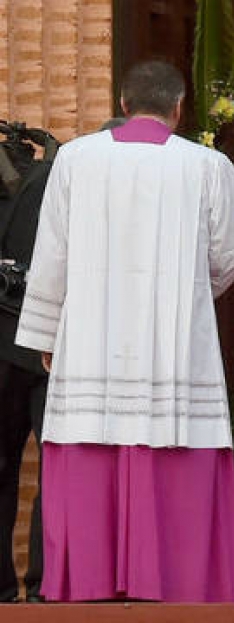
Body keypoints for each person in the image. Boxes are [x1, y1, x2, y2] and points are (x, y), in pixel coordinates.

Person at [14, 60, 234, 602]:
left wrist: (49, 334)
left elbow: (49, 252)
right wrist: (195, 292)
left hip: (91, 345)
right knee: (173, 444)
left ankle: (91, 586)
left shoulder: (74, 160)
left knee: (91, 443)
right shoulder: (207, 166)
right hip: (173, 351)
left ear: (122, 105)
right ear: (178, 109)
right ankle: (179, 583)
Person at [0, 122, 59, 603]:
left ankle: (45, 585)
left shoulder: (64, 172)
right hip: (7, 340)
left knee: (55, 468)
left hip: (49, 342)